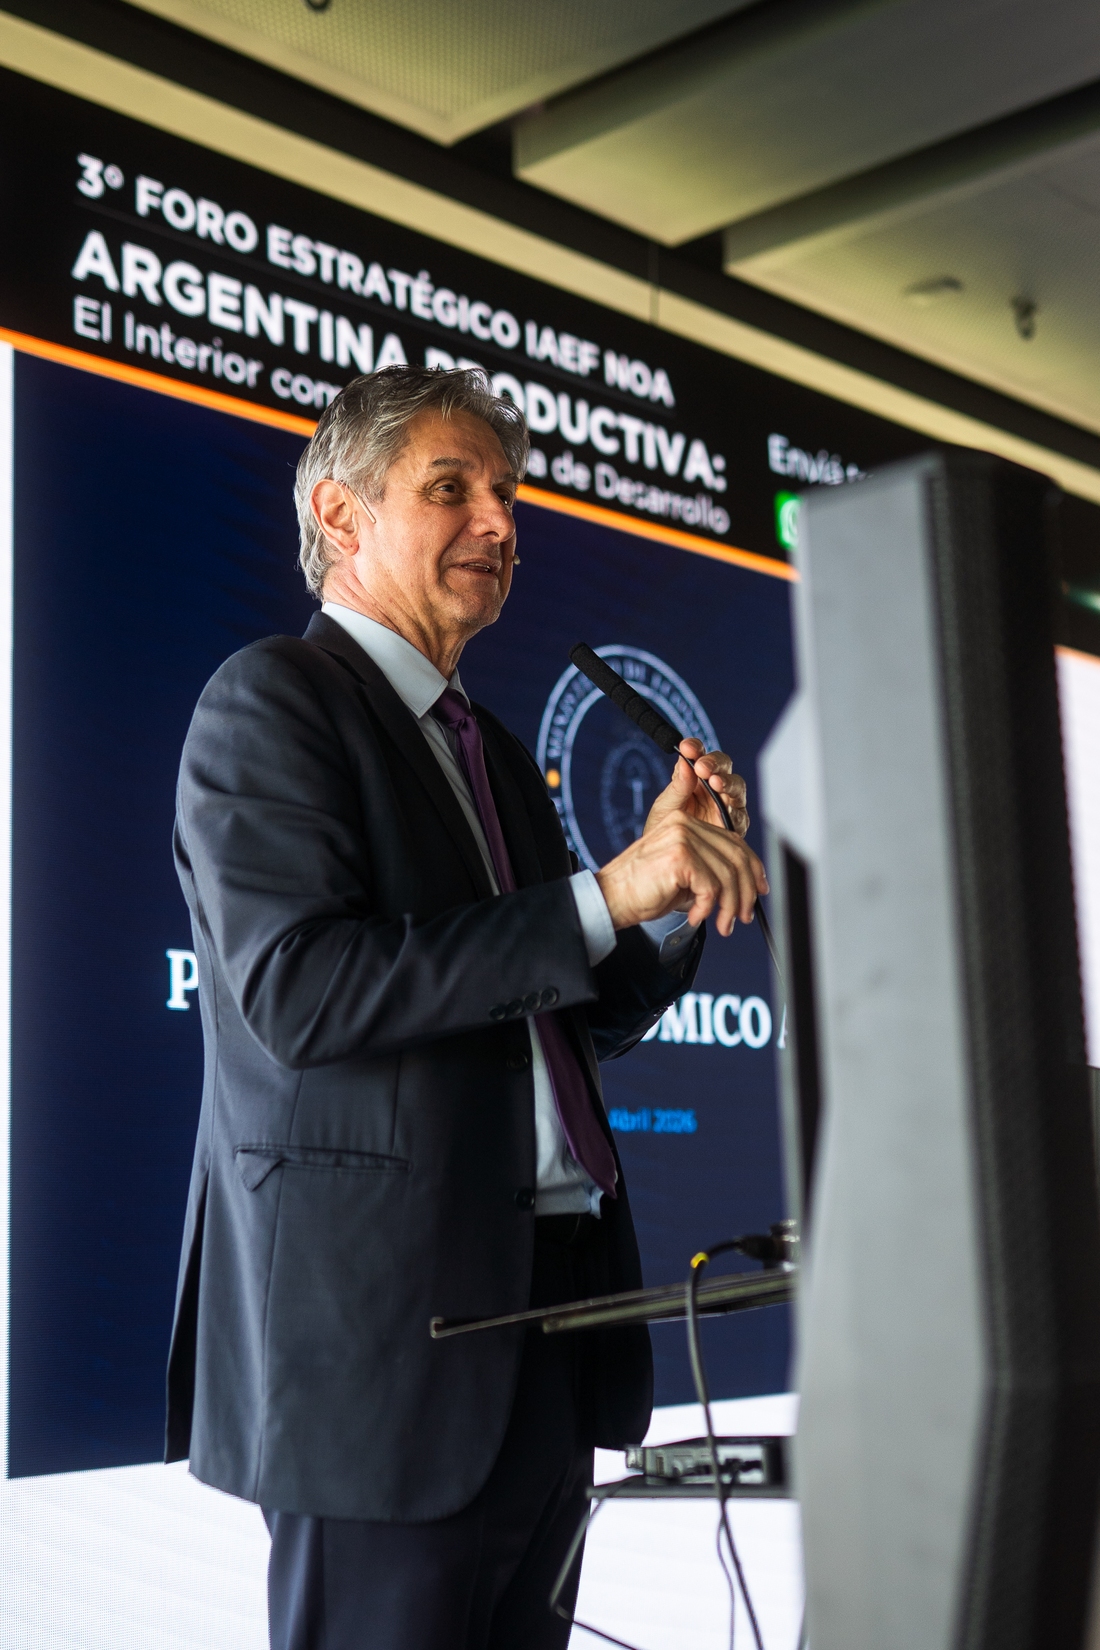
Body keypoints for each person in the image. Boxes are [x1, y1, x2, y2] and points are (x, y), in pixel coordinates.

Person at [165, 365, 767, 1650]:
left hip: (546, 1334)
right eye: (452, 488)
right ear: (339, 513)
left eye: (507, 494)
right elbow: (302, 990)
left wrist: (661, 902)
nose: (499, 521)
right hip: (384, 1362)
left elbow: (563, 1016)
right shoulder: (270, 701)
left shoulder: (486, 744)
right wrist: (604, 890)